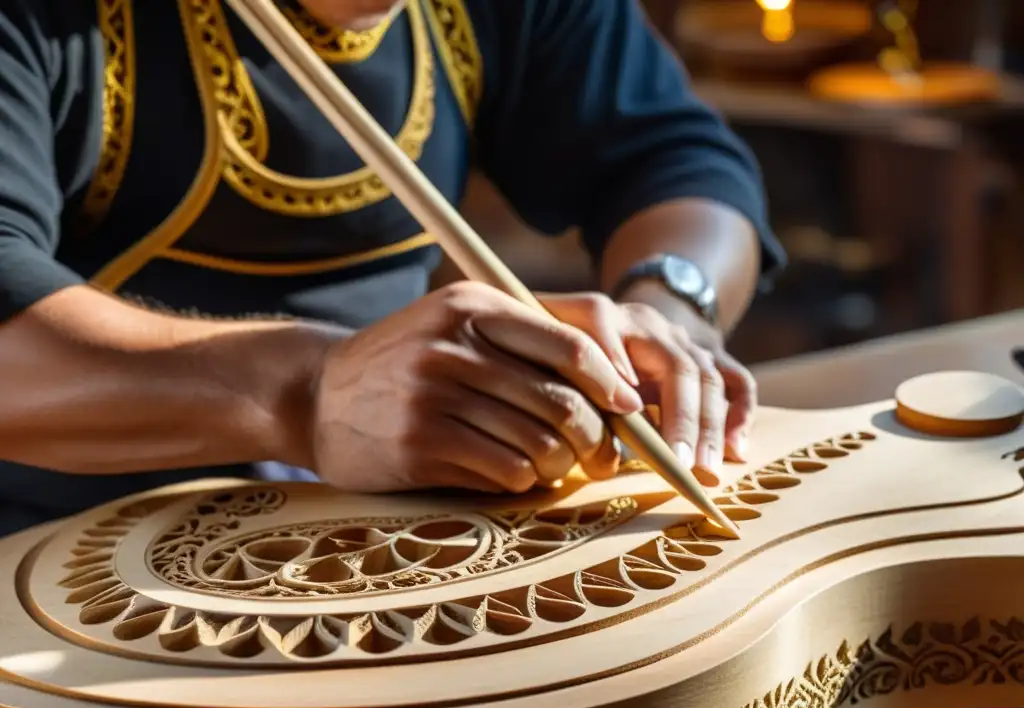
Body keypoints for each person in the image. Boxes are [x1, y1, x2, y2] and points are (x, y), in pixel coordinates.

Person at [0, 0, 785, 536]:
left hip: (386, 526)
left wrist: (670, 310)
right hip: (56, 557)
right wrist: (304, 393)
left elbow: (674, 158)